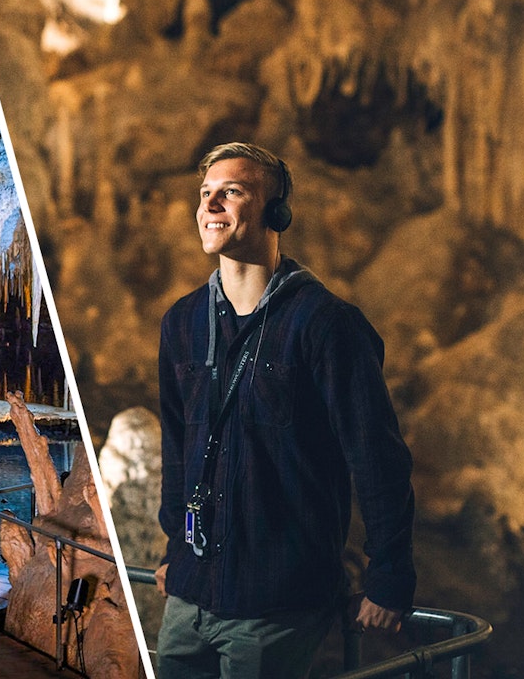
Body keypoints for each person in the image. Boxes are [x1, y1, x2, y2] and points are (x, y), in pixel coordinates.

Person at [155, 142, 416, 679]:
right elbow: (178, 449)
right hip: (189, 595)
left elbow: (376, 458)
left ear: (277, 213)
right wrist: (172, 548)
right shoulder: (182, 324)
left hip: (275, 602)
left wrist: (389, 579)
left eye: (232, 192)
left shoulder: (327, 326)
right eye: (206, 195)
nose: (211, 207)